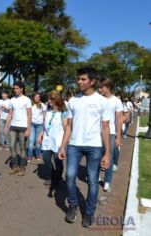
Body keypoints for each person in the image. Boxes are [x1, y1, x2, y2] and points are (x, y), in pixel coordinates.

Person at [58, 66, 111, 228]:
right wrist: (62, 146)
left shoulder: (102, 102)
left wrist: (107, 153)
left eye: (83, 79)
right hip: (74, 145)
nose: (79, 81)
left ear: (92, 81)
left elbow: (106, 128)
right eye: (78, 79)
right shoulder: (73, 101)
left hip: (94, 146)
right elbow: (68, 126)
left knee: (93, 180)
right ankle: (73, 205)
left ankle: (89, 212)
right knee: (70, 176)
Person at [98, 78, 123, 192]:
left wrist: (118, 137)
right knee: (96, 155)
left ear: (108, 87)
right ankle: (95, 176)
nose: (99, 89)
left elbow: (119, 119)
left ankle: (107, 181)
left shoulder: (116, 101)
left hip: (111, 132)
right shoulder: (98, 99)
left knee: (109, 157)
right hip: (97, 132)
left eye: (101, 87)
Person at [38, 91, 67, 186]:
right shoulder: (48, 111)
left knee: (58, 162)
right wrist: (41, 134)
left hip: (58, 142)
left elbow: (66, 129)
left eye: (51, 99)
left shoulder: (63, 113)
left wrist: (64, 144)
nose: (49, 101)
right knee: (46, 159)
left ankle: (57, 179)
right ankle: (52, 175)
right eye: (49, 99)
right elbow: (45, 125)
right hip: (47, 140)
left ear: (57, 100)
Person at [4, 81, 31, 176]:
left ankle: (22, 167)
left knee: (22, 147)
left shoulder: (27, 100)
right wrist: (6, 126)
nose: (14, 90)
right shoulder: (12, 100)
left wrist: (28, 128)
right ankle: (15, 166)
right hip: (13, 126)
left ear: (21, 89)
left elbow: (29, 115)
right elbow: (10, 113)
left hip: (23, 127)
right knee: (11, 146)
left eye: (16, 88)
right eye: (14, 88)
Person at [27, 92, 46, 162]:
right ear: (33, 97)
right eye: (36, 97)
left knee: (38, 141)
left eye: (38, 97)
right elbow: (28, 115)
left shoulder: (43, 105)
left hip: (40, 125)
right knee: (31, 140)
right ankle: (29, 155)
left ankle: (38, 154)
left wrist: (44, 125)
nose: (37, 98)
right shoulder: (30, 105)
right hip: (31, 124)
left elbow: (44, 116)